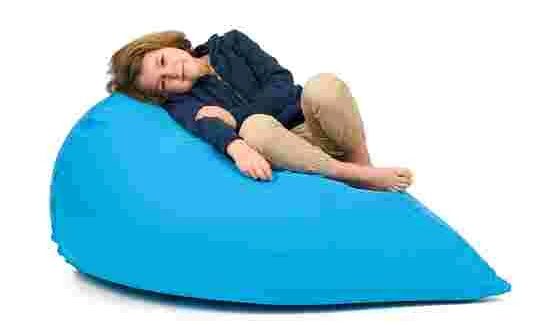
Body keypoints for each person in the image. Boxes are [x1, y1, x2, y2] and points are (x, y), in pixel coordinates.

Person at [106, 28, 414, 192]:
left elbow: (282, 84)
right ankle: (354, 175)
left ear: (168, 45)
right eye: (163, 82)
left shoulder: (232, 43)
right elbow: (206, 126)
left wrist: (235, 118)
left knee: (323, 85)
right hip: (285, 148)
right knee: (255, 127)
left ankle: (364, 163)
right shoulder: (182, 102)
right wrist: (237, 146)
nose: (174, 73)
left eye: (163, 61)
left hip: (313, 126)